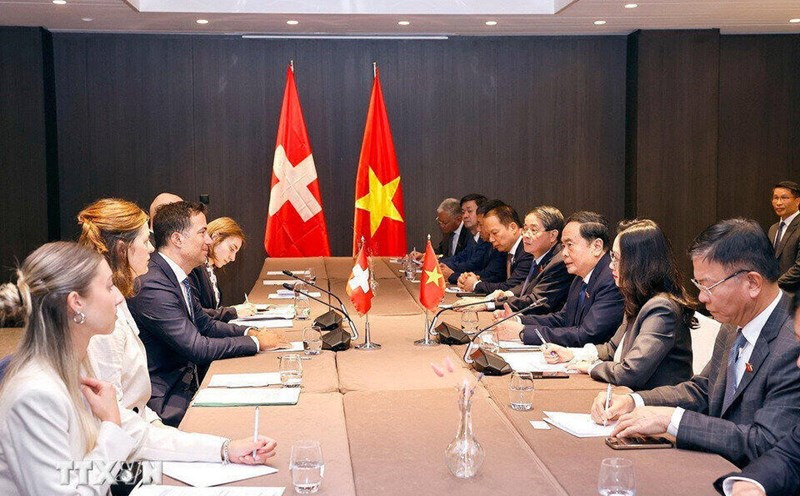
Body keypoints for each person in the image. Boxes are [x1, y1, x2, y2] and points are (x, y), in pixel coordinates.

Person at [78, 199, 277, 465]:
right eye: (146, 240)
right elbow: (120, 420)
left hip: (147, 423)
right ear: (124, 250)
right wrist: (220, 449)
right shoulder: (112, 315)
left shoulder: (122, 300)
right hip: (134, 438)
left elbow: (133, 411)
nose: (152, 248)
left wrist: (223, 449)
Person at [591, 218, 800, 468]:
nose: (701, 297)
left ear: (752, 283)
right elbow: (703, 389)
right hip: (714, 463)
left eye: (708, 286)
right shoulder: (733, 323)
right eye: (698, 284)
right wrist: (636, 401)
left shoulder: (793, 340)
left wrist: (673, 420)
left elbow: (764, 442)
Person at [128, 201, 281, 426]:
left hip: (185, 384)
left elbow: (206, 325)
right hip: (166, 399)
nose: (209, 241)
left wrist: (250, 330)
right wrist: (255, 342)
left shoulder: (177, 276)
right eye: (202, 233)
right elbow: (197, 347)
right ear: (177, 239)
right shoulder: (153, 284)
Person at [0, 242, 136, 494]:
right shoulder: (35, 393)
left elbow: (134, 436)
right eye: (108, 287)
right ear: (76, 303)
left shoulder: (72, 365)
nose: (118, 296)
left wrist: (222, 451)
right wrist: (112, 427)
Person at [542, 219, 694, 389]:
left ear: (638, 263)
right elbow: (612, 349)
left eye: (616, 258)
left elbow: (630, 372)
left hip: (654, 405)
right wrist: (572, 354)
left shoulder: (662, 308)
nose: (610, 265)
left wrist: (591, 367)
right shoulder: (639, 298)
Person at [495, 211, 624, 346]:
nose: (564, 254)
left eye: (570, 245)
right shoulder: (580, 276)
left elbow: (588, 335)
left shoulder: (611, 279)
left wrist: (523, 332)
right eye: (563, 246)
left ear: (596, 246)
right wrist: (518, 320)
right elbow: (563, 319)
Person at [469, 205, 573, 315]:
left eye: (533, 230)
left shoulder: (559, 262)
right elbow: (527, 285)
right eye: (525, 229)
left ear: (552, 235)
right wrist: (507, 293)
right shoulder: (539, 255)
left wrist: (489, 304)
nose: (526, 235)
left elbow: (536, 301)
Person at [188, 217, 255, 323]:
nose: (232, 258)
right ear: (215, 237)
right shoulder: (194, 268)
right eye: (231, 249)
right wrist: (232, 312)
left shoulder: (208, 268)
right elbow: (195, 314)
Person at [457, 203, 533, 294]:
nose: (491, 239)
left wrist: (475, 285)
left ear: (512, 228)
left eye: (495, 233)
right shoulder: (506, 249)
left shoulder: (527, 250)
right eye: (489, 234)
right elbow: (497, 278)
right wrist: (472, 279)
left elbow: (511, 287)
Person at [440, 196, 506, 285]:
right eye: (463, 212)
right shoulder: (475, 237)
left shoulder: (498, 244)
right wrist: (439, 264)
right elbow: (462, 257)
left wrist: (453, 275)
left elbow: (488, 273)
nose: (465, 216)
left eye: (470, 211)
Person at [768, 181, 800, 293]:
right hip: (776, 295)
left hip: (795, 295)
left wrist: (774, 285)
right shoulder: (773, 229)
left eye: (784, 198)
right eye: (775, 198)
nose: (778, 203)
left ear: (797, 201)